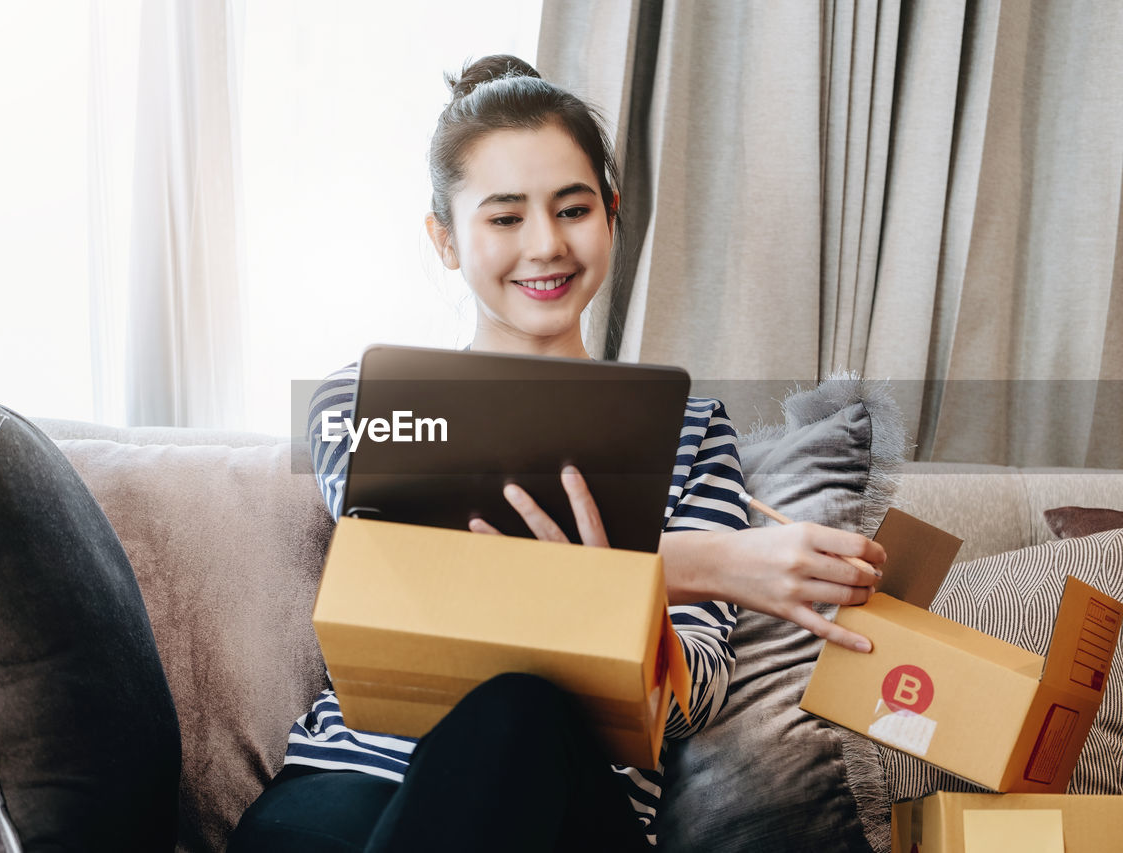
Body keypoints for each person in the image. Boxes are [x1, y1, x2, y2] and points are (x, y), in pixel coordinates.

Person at [229, 55, 886, 852]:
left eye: (572, 209)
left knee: (523, 705)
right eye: (504, 218)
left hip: (567, 801)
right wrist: (706, 562)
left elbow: (694, 699)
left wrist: (644, 598)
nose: (545, 244)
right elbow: (401, 560)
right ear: (444, 239)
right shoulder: (365, 396)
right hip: (353, 783)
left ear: (611, 214)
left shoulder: (691, 430)